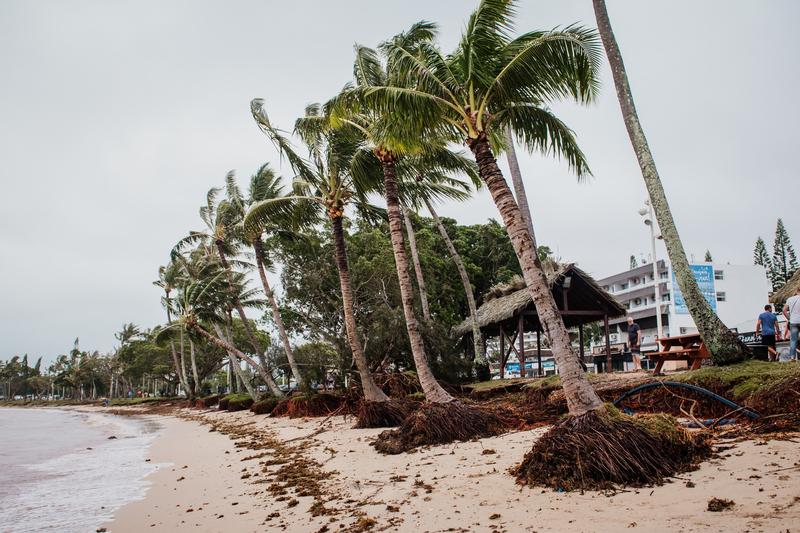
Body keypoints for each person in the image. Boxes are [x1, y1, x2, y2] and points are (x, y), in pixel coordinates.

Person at [783, 287, 800, 360]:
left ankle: (792, 357)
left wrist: (789, 318)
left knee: (793, 340)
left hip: (793, 322)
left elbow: (784, 310)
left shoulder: (790, 299)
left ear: (797, 291)